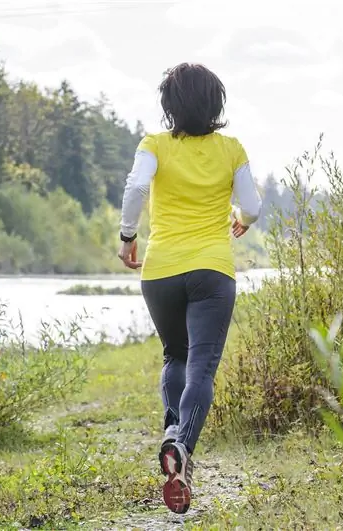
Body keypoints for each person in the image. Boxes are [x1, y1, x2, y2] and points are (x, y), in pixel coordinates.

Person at [117, 62, 262, 514]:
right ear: (216, 104)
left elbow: (137, 186)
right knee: (200, 367)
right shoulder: (231, 149)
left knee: (174, 356)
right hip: (212, 272)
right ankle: (180, 448)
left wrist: (127, 236)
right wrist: (239, 220)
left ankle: (172, 436)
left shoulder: (153, 144)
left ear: (169, 105)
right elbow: (253, 206)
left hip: (160, 271)